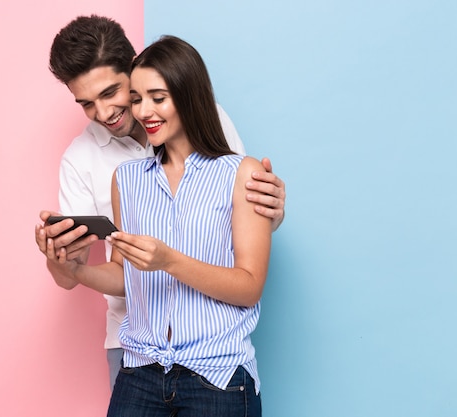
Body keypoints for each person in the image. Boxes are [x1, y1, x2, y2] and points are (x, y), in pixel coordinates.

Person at [34, 15, 285, 391]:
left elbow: (243, 220)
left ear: (134, 71)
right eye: (86, 103)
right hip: (132, 346)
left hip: (212, 347)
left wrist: (272, 213)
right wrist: (63, 264)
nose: (104, 114)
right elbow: (82, 273)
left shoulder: (209, 120)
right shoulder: (82, 160)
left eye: (110, 93)